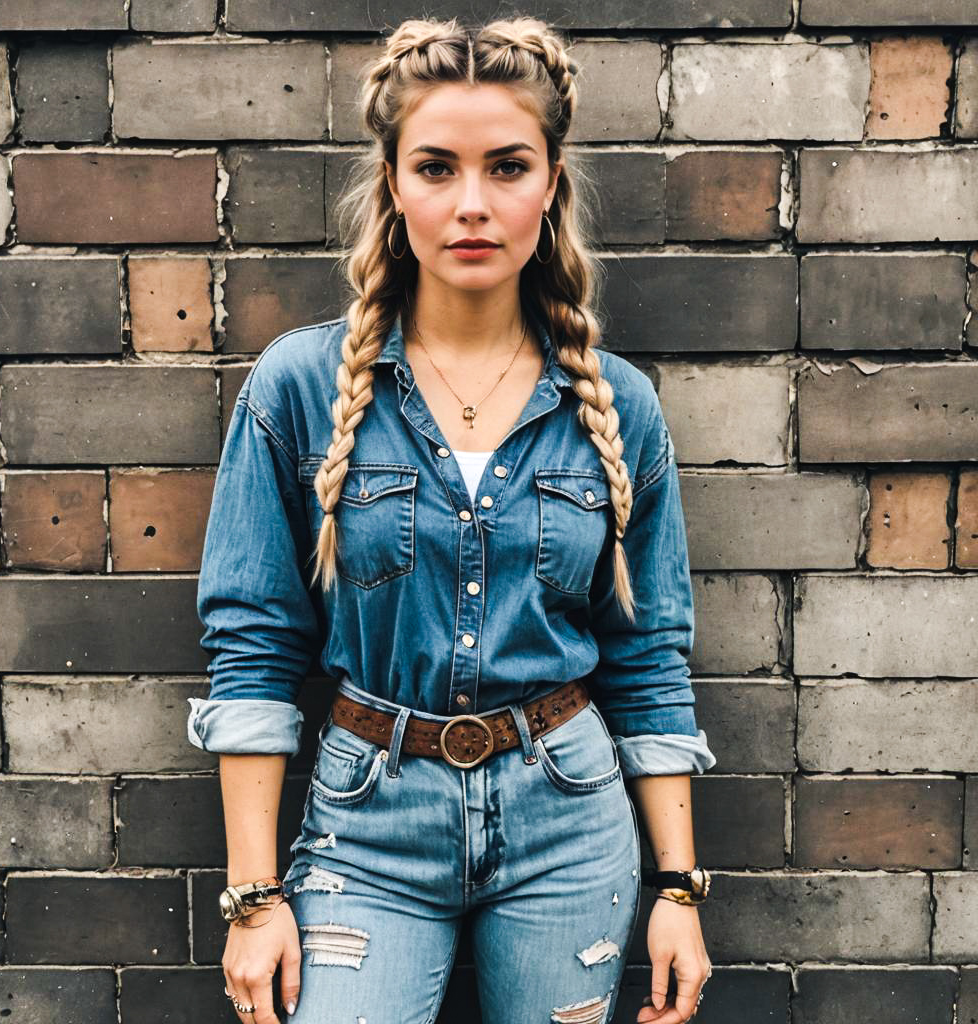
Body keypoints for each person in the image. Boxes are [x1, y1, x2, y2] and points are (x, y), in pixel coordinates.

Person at [186, 15, 717, 1024]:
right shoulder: (299, 386)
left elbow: (648, 658)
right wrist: (254, 897)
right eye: (436, 167)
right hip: (366, 822)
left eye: (506, 166)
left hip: (568, 819)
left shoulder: (616, 405)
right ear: (393, 181)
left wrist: (679, 888)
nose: (472, 204)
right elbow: (253, 650)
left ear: (551, 176)